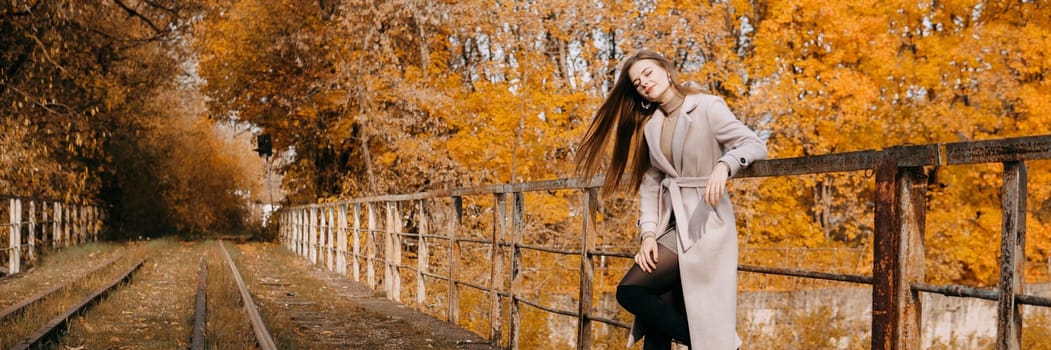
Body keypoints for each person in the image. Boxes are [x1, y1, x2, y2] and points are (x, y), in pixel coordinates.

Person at [575, 49, 767, 349]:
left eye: (648, 73)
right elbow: (651, 184)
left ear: (666, 69)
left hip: (704, 224)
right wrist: (648, 235)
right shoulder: (651, 127)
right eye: (638, 83)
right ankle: (717, 344)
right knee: (654, 328)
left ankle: (721, 344)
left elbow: (752, 143)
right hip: (670, 225)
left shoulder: (707, 107)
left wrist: (724, 165)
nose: (644, 83)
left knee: (631, 291)